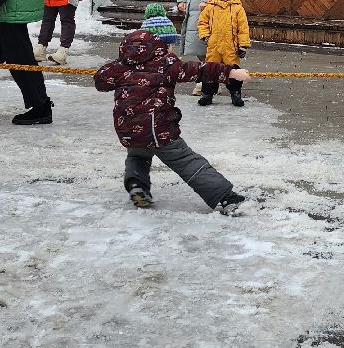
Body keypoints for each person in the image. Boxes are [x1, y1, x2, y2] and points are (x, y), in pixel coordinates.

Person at [93, 29, 249, 213]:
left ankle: (137, 187)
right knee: (185, 160)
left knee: (138, 155)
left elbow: (100, 81)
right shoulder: (164, 65)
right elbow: (199, 69)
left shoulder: (119, 67)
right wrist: (230, 72)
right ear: (159, 48)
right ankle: (225, 197)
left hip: (127, 128)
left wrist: (121, 66)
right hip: (158, 129)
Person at [197, 0, 251, 107]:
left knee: (233, 71)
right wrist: (205, 36)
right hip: (214, 46)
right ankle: (207, 94)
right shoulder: (210, 6)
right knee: (210, 71)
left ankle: (235, 93)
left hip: (230, 47)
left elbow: (243, 28)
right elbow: (202, 22)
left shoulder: (238, 8)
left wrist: (243, 45)